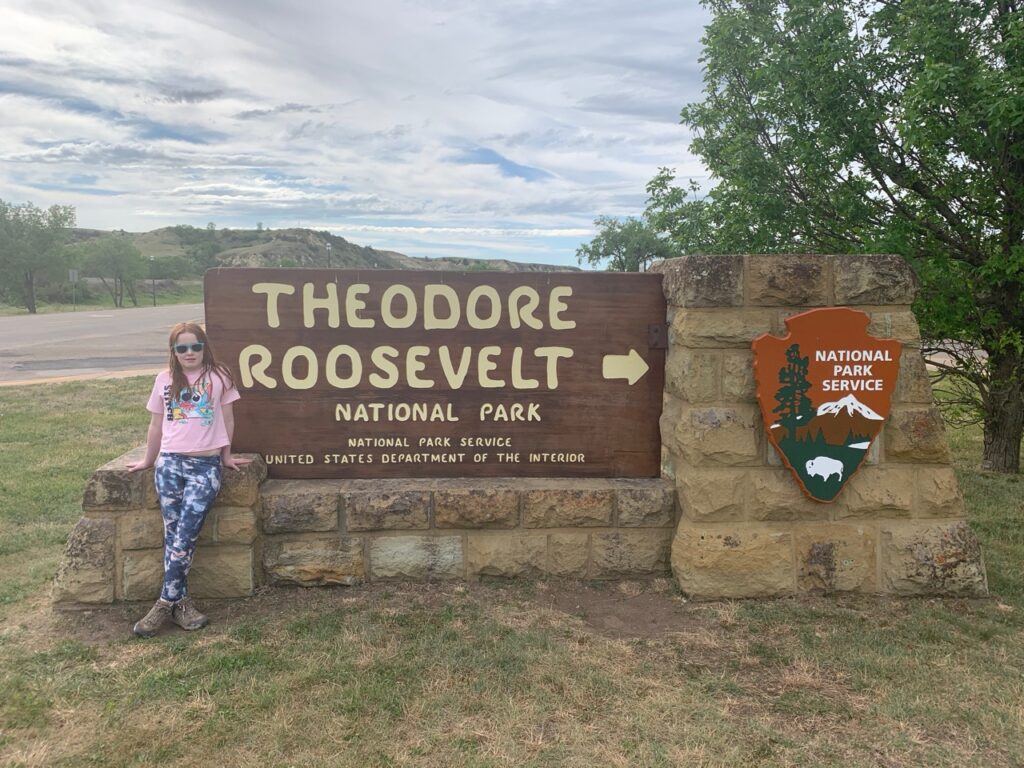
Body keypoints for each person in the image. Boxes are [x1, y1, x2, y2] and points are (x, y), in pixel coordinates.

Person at [127, 321, 250, 637]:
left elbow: (227, 418)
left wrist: (225, 456)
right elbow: (156, 425)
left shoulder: (219, 376)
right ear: (174, 352)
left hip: (204, 467)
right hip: (169, 465)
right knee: (172, 534)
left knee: (186, 533)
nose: (189, 352)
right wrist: (147, 460)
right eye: (182, 347)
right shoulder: (164, 380)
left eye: (195, 346)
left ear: (204, 347)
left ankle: (163, 603)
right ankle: (181, 604)